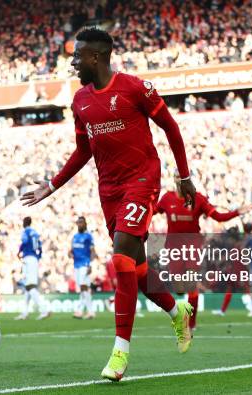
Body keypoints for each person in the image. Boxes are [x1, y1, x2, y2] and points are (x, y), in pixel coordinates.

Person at [21, 28, 195, 381]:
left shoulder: (135, 88)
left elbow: (171, 128)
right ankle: (179, 313)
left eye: (77, 55)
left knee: (119, 259)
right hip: (109, 190)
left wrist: (185, 175)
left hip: (142, 180)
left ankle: (120, 353)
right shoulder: (80, 101)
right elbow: (83, 150)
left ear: (96, 57)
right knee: (138, 271)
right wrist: (52, 185)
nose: (72, 62)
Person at [156, 170, 252, 330]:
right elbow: (152, 211)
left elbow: (218, 217)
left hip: (193, 247)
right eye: (177, 177)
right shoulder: (167, 198)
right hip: (173, 248)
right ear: (173, 179)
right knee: (179, 289)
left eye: (182, 177)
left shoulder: (198, 199)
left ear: (188, 180)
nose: (180, 180)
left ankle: (191, 325)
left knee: (191, 286)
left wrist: (237, 212)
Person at [15, 217, 51, 320]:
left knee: (30, 286)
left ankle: (44, 309)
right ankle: (24, 313)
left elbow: (24, 242)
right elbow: (40, 246)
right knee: (28, 286)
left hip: (28, 258)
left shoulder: (25, 231)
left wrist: (19, 251)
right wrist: (38, 257)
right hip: (34, 259)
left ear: (24, 223)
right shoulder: (35, 233)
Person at [70, 216, 97, 319]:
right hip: (76, 265)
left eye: (81, 222)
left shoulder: (88, 236)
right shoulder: (75, 236)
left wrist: (90, 265)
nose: (79, 224)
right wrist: (70, 253)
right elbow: (72, 250)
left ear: (85, 224)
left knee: (83, 286)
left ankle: (80, 310)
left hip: (85, 264)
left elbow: (93, 252)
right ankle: (90, 312)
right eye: (78, 222)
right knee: (83, 288)